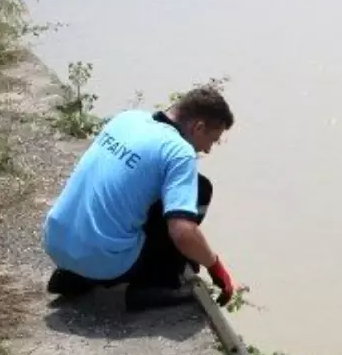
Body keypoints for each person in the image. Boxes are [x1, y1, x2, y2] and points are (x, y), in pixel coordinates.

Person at [41, 85, 238, 313]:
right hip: (104, 261)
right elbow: (183, 233)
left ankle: (76, 275)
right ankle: (154, 283)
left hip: (55, 242)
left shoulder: (127, 119)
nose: (208, 150)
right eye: (212, 140)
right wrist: (215, 267)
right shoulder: (179, 151)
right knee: (200, 188)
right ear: (199, 127)